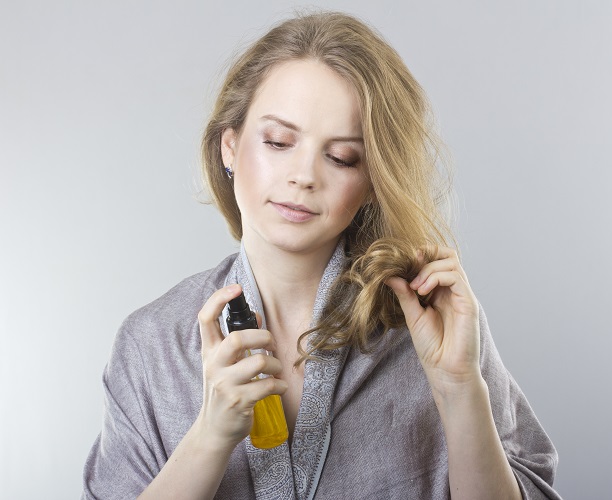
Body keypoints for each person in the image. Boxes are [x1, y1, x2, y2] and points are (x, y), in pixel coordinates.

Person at [83, 11, 561, 500]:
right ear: (230, 146)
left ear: (373, 181)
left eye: (342, 157)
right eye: (278, 141)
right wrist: (210, 436)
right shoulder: (150, 345)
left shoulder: (433, 327)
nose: (304, 175)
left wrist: (459, 390)